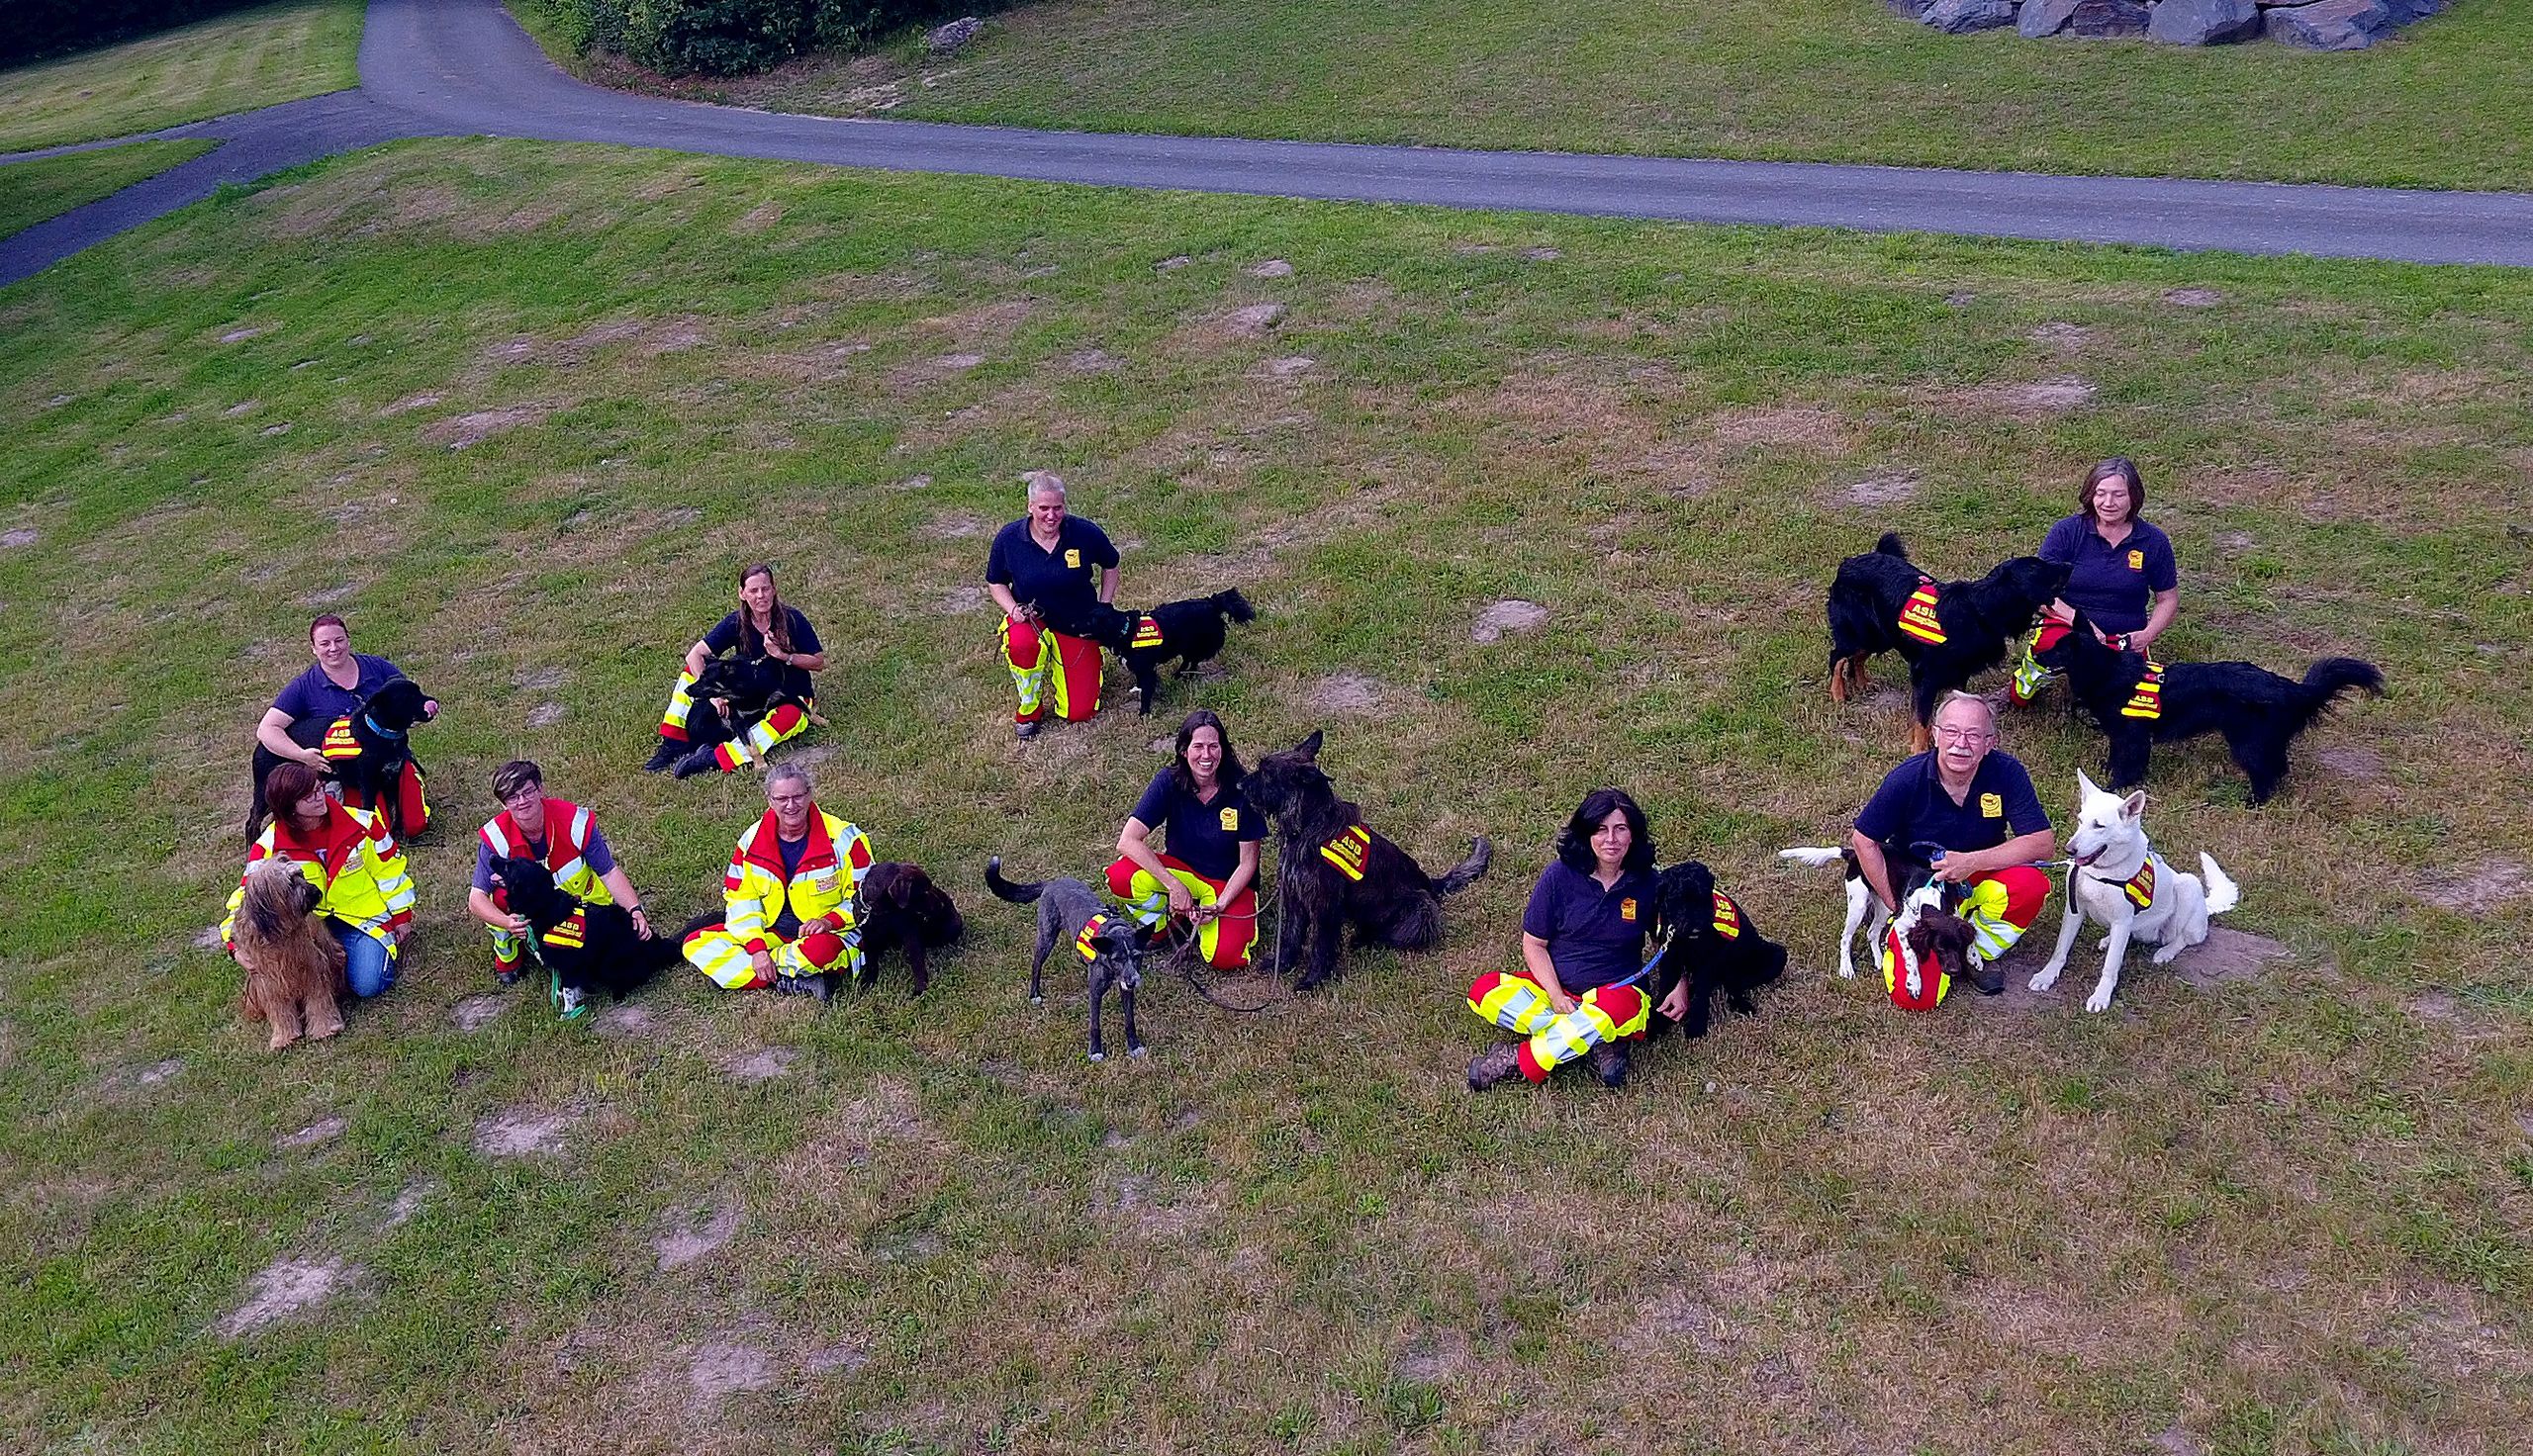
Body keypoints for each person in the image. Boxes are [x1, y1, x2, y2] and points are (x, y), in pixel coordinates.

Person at [1849, 692, 2055, 1001]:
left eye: (1973, 735)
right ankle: (1934, 942)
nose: (1961, 743)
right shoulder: (1907, 778)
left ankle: (1975, 950)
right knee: (1917, 998)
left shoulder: (2007, 772)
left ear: (1990, 743)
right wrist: (1897, 906)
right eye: (1952, 731)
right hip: (1921, 891)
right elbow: (1863, 841)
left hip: (1978, 876)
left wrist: (1972, 862)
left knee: (2030, 885)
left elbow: (2042, 843)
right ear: (1935, 734)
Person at [1467, 788, 1660, 1091]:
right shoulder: (1559, 876)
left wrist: (1679, 986)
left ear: (1633, 834)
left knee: (1614, 1011)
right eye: (1600, 829)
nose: (1611, 839)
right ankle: (1597, 1039)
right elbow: (1534, 944)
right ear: (1586, 834)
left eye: (1620, 828)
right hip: (1558, 991)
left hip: (1617, 993)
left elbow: (1668, 941)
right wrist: (1557, 996)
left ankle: (1515, 1059)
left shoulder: (1649, 882)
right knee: (1486, 992)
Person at [466, 761, 654, 1010]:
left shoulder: (574, 821)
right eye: (512, 797)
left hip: (581, 906)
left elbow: (609, 872)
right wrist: (507, 922)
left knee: (603, 947)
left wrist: (634, 910)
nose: (522, 801)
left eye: (528, 792)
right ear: (503, 803)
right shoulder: (496, 837)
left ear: (540, 789)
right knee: (499, 899)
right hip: (531, 916)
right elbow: (476, 899)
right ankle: (511, 958)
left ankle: (585, 955)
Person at [223, 761, 417, 1000]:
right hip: (303, 932)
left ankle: (345, 964)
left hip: (363, 922)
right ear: (289, 807)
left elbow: (390, 873)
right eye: (309, 796)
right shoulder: (268, 846)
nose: (320, 797)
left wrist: (401, 917)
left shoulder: (364, 824)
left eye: (319, 788)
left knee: (369, 985)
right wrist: (234, 946)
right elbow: (247, 900)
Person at [682, 762, 874, 998]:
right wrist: (757, 948)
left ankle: (743, 973)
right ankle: (792, 977)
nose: (791, 806)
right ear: (769, 800)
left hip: (828, 934)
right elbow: (740, 898)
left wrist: (828, 922)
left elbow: (866, 899)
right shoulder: (751, 841)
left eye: (797, 797)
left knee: (821, 951)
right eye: (782, 799)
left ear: (810, 794)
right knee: (695, 942)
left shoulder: (847, 839)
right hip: (773, 933)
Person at [2011, 458, 2181, 705]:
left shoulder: (2154, 541)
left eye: (2118, 495)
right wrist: (2084, 624)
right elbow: (2039, 592)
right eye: (2101, 493)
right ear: (2090, 494)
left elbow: (2168, 598)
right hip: (2067, 625)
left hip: (2125, 634)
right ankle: (2027, 680)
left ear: (2134, 497)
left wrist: (2147, 634)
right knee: (2042, 657)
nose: (2108, 503)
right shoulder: (2066, 532)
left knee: (2135, 704)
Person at [1106, 710, 1266, 969]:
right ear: (1184, 750)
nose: (1206, 755)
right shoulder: (1168, 781)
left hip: (1226, 884)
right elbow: (1127, 840)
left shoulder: (1243, 790)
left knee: (1225, 957)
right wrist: (1174, 885)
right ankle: (1165, 926)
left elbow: (1248, 863)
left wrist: (1220, 905)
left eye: (1214, 746)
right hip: (1183, 874)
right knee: (1120, 876)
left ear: (1223, 750)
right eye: (1198, 746)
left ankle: (1206, 920)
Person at [257, 613, 434, 832]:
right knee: (371, 829)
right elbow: (267, 729)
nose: (333, 648)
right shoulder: (303, 687)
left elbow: (411, 698)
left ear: (348, 640)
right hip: (348, 772)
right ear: (313, 648)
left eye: (339, 640)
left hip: (391, 756)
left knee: (413, 825)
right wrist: (302, 756)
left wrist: (419, 712)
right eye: (325, 643)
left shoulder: (378, 667)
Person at [646, 563, 825, 777]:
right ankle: (673, 743)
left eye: (765, 589)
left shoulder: (793, 619)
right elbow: (695, 655)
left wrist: (783, 656)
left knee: (791, 716)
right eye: (753, 590)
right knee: (689, 673)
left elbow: (818, 662)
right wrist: (714, 697)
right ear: (742, 594)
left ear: (774, 589)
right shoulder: (736, 622)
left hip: (790, 694)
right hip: (748, 697)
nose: (761, 596)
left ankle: (715, 758)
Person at [985, 471, 1120, 738]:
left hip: (1077, 621)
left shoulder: (1084, 532)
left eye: (1057, 508)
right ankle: (1030, 706)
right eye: (1044, 508)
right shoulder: (1009, 538)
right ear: (1030, 507)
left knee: (1080, 712)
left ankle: (1086, 663)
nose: (1051, 515)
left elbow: (1111, 564)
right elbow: (995, 582)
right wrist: (1013, 610)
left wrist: (1104, 607)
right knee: (1021, 644)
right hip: (1031, 619)